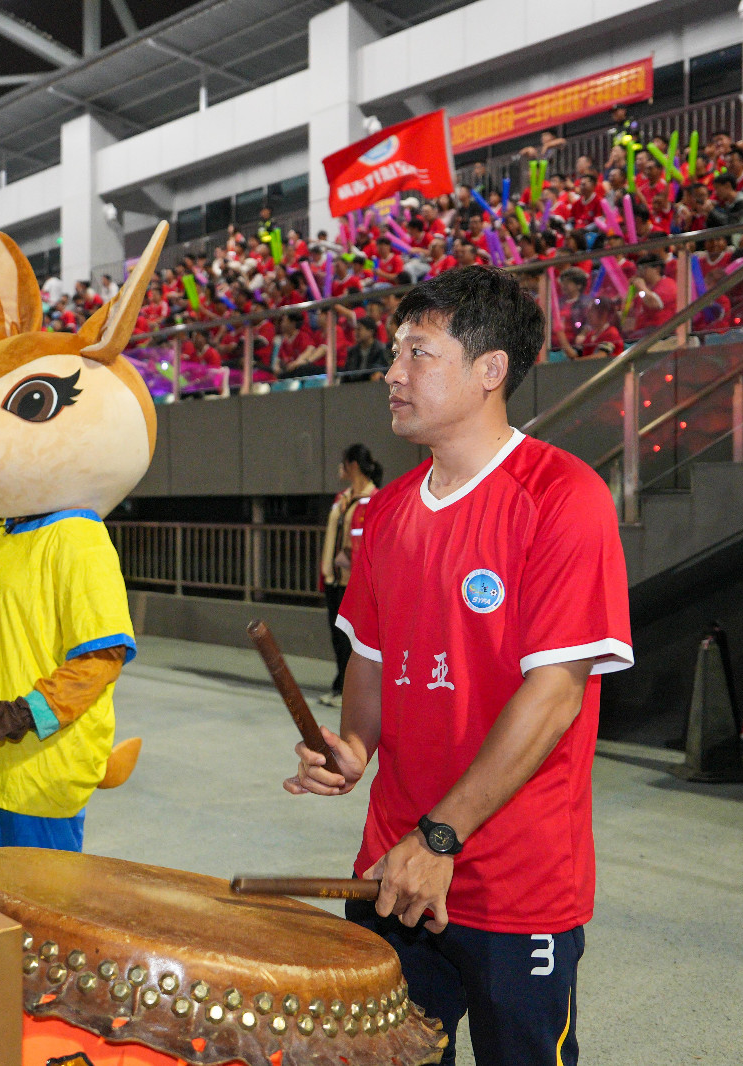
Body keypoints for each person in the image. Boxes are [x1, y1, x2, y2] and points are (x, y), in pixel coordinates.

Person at [286, 266, 632, 1066]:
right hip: (392, 870)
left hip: (514, 881)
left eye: (419, 352)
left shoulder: (561, 495)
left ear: (490, 370)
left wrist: (440, 837)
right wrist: (353, 748)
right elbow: (371, 663)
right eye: (394, 353)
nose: (392, 373)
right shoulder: (385, 513)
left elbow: (555, 696)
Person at [319, 444, 382, 707]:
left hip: (354, 583)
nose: (339, 468)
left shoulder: (374, 499)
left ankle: (349, 693)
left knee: (352, 641)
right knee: (337, 637)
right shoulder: (343, 498)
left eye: (343, 462)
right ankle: (340, 686)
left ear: (353, 465)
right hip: (334, 579)